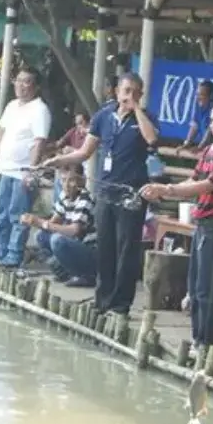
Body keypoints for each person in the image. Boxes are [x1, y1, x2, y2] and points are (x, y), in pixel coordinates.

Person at [43, 73, 159, 316]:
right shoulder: (103, 116)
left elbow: (151, 139)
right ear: (117, 91)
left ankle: (120, 304)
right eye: (126, 90)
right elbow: (84, 152)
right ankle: (102, 299)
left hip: (131, 194)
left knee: (126, 249)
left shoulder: (145, 117)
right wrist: (59, 160)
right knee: (105, 247)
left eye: (135, 91)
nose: (129, 95)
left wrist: (137, 109)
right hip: (106, 191)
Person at [142, 100, 213, 350]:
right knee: (196, 285)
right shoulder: (211, 148)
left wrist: (166, 189)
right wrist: (164, 189)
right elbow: (194, 179)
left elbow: (207, 185)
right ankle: (197, 338)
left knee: (209, 287)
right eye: (211, 120)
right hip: (202, 221)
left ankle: (208, 343)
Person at [0, 68, 52, 268]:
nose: (21, 85)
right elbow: (0, 135)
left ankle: (14, 254)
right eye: (18, 80)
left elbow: (39, 142)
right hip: (5, 169)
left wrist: (31, 171)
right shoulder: (12, 106)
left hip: (22, 173)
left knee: (18, 214)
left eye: (27, 81)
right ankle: (0, 248)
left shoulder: (40, 110)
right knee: (1, 210)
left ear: (36, 87)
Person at [24, 166, 97, 287]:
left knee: (57, 240)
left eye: (71, 180)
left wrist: (41, 223)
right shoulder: (65, 196)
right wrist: (33, 221)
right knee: (41, 236)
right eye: (63, 180)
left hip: (90, 251)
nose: (66, 185)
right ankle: (65, 272)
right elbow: (54, 221)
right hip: (76, 244)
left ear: (81, 181)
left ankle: (84, 275)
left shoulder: (85, 199)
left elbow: (74, 230)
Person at [182, 80, 213, 148]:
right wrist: (186, 144)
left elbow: (209, 132)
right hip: (205, 147)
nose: (198, 97)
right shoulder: (198, 107)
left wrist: (200, 147)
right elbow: (194, 127)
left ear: (211, 96)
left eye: (201, 94)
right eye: (197, 94)